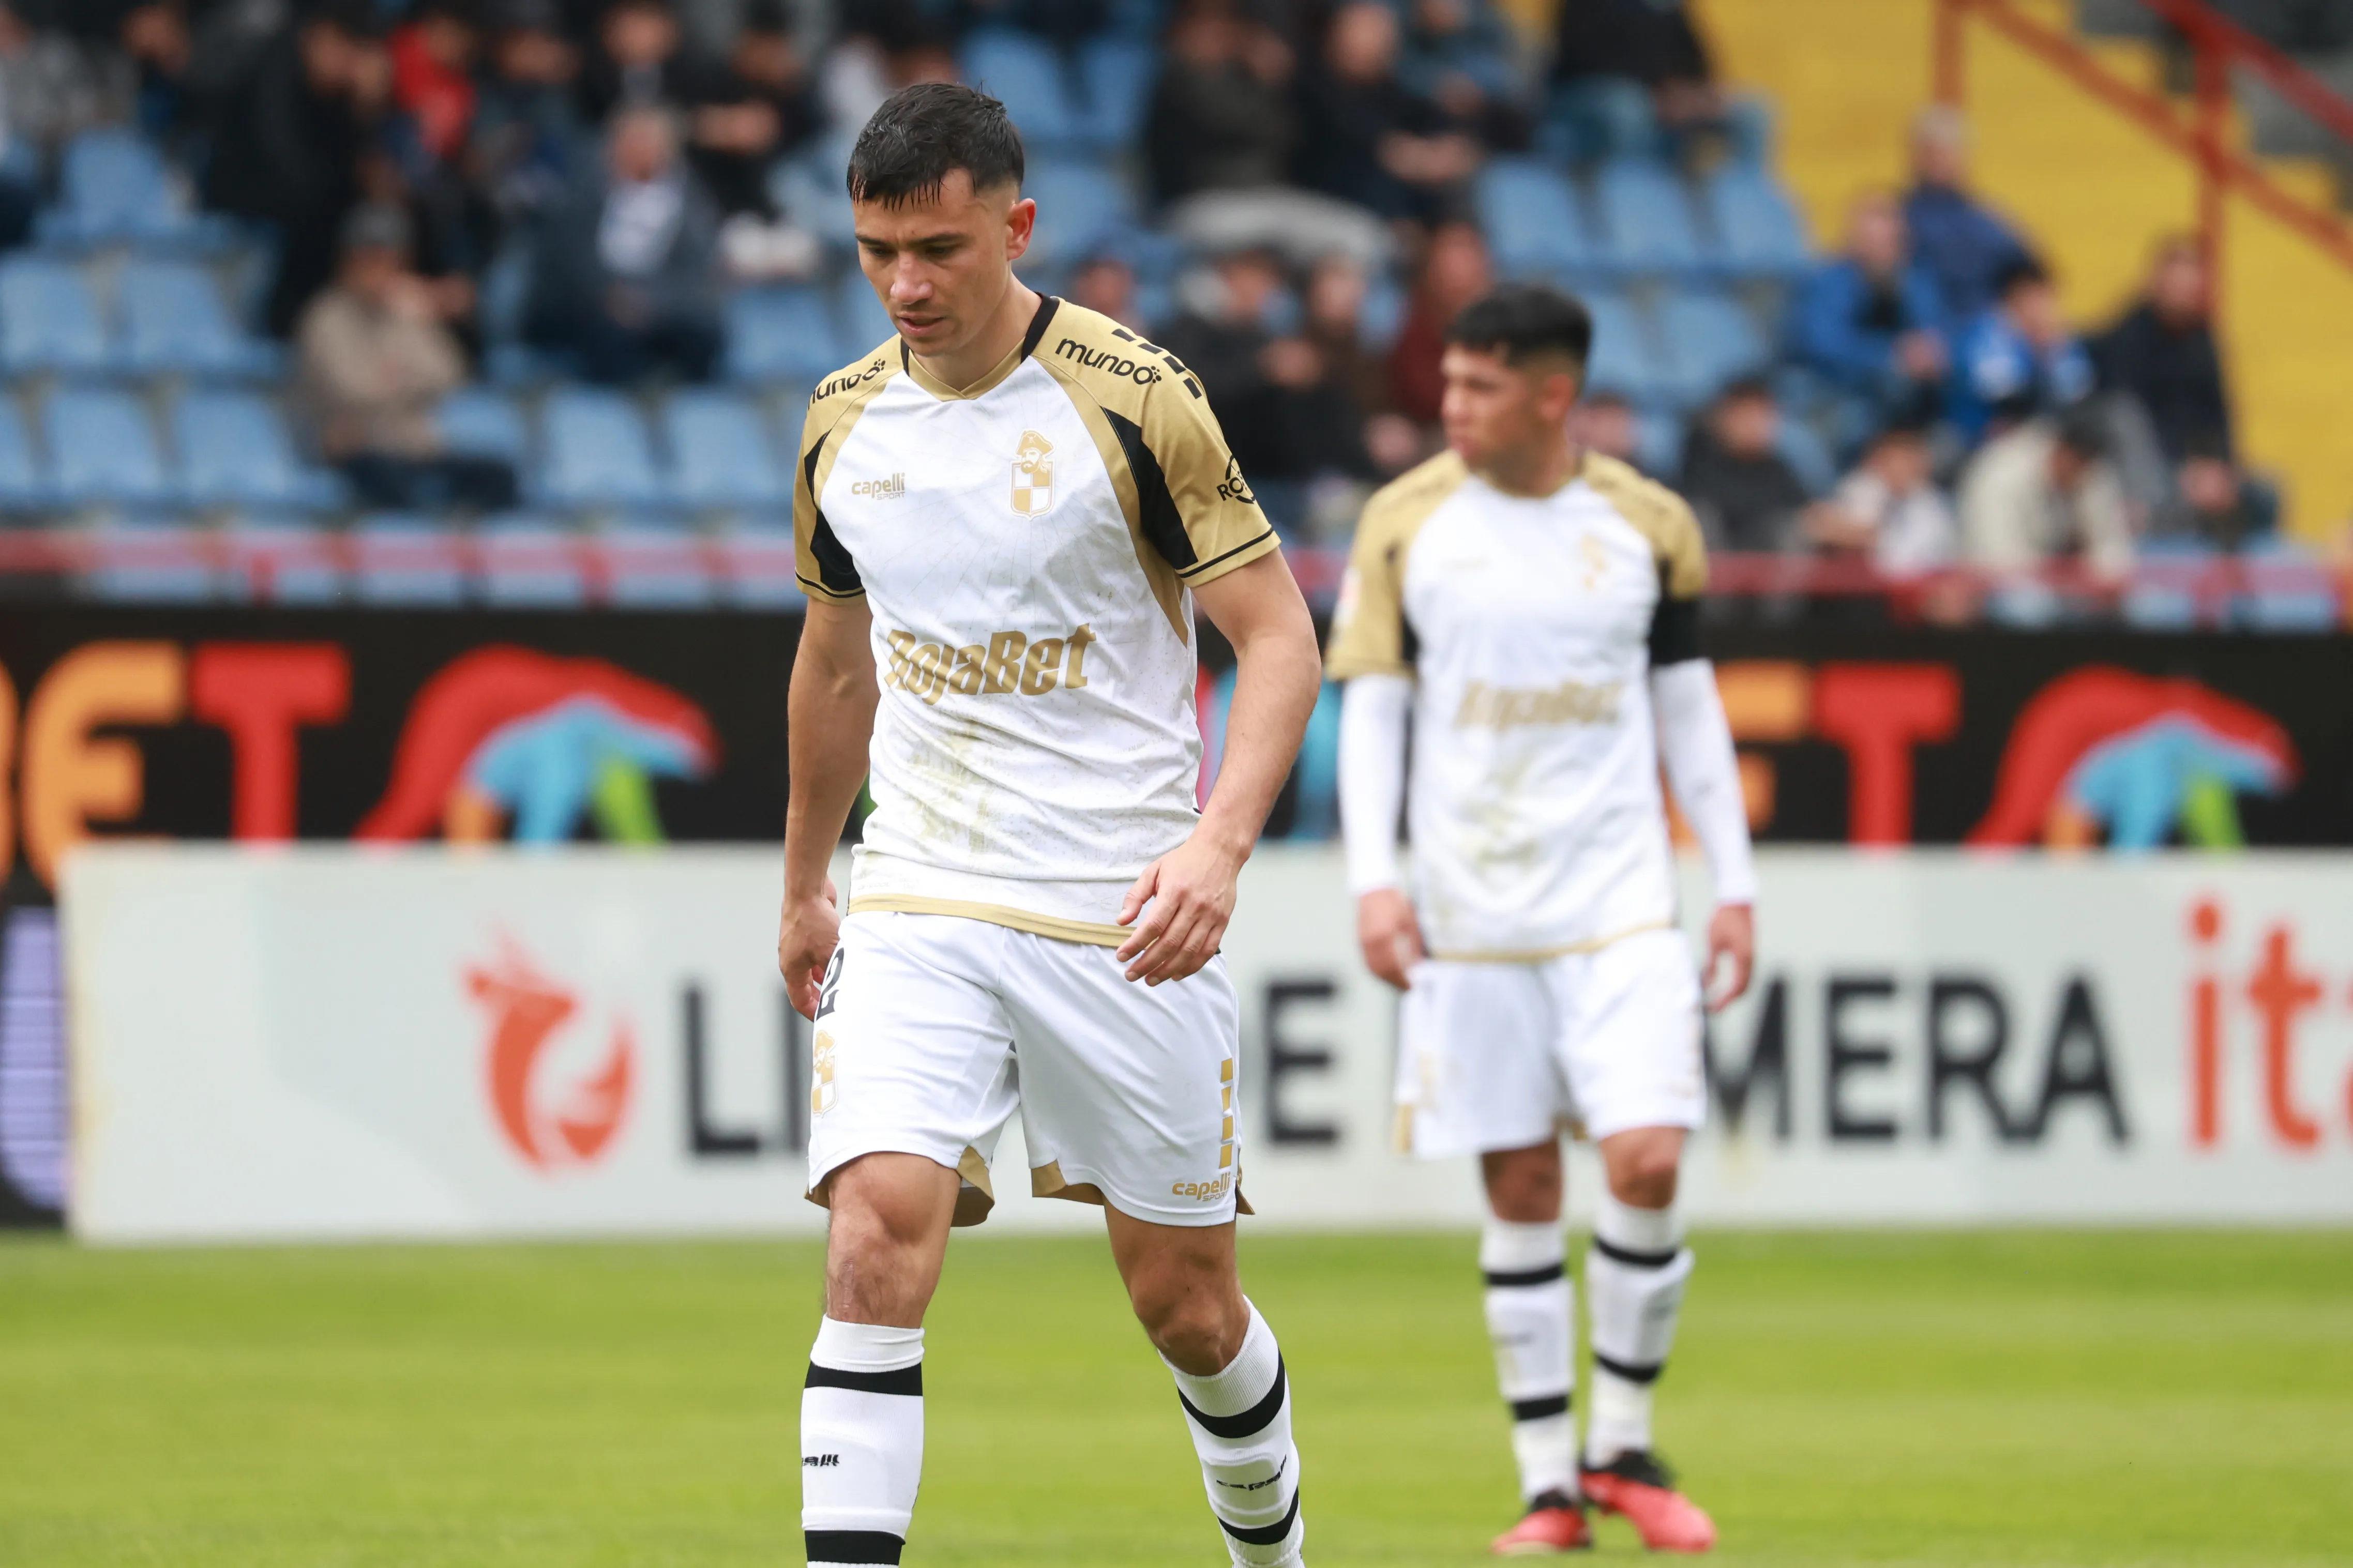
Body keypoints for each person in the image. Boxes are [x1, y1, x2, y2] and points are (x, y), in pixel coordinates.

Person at [777, 83, 1322, 1568]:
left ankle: (1269, 1555)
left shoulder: (1134, 398)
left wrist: (1213, 847)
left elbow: (1277, 641)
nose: (905, 284)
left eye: (940, 248)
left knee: (1185, 1307)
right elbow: (835, 666)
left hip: (1117, 909)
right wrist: (807, 883)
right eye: (876, 250)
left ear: (1015, 226)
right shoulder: (840, 422)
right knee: (874, 1236)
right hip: (921, 891)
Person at [1329, 283, 1752, 1556]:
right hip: (1470, 910)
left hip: (1621, 904)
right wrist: (1373, 879)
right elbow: (1377, 711)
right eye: (1447, 383)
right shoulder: (1405, 524)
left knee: (1648, 1158)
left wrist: (1734, 883)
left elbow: (1689, 713)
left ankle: (1620, 1441)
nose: (1448, 406)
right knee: (1518, 1182)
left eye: (1477, 387)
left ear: (1552, 394)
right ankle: (1548, 1484)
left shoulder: (1646, 524)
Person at [296, 203, 519, 513]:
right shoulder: (325, 317)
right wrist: (409, 382)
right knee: (396, 488)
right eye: (369, 257)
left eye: (389, 259)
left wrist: (398, 373)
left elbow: (451, 373)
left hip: (415, 448)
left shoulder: (406, 309)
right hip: (359, 450)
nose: (379, 269)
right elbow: (351, 390)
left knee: (499, 476)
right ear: (347, 260)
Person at [526, 101, 722, 383]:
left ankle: (689, 413)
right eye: (633, 140)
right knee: (609, 335)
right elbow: (566, 258)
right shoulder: (578, 192)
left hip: (658, 305)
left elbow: (696, 267)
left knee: (703, 332)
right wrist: (611, 295)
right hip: (586, 303)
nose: (640, 149)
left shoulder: (690, 200)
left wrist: (651, 301)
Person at [1293, 1, 1481, 226]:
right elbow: (1363, 141)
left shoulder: (1391, 92)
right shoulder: (1311, 83)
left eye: (1382, 32)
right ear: (1336, 33)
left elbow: (1439, 126)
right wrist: (1416, 159)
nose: (1376, 41)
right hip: (1320, 203)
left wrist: (1450, 151)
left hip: (1389, 213)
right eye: (1364, 29)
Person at [1785, 190, 1946, 423]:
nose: (1880, 252)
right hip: (1832, 392)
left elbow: (1934, 331)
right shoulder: (1827, 282)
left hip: (1898, 393)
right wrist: (1890, 356)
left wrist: (1931, 353)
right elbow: (1820, 345)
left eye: (1889, 242)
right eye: (1870, 242)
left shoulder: (1914, 281)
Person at [2091, 234, 2233, 465]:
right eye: (2177, 285)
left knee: (2264, 490)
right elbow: (2130, 421)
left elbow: (2217, 415)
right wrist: (2188, 465)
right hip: (2152, 467)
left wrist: (2219, 465)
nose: (2183, 296)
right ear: (2156, 283)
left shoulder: (2202, 340)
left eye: (2190, 288)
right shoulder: (2128, 337)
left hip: (2197, 465)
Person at [1958, 406, 2135, 583]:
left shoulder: (2093, 473)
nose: (2083, 474)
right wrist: (2061, 577)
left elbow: (2114, 550)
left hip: (2064, 585)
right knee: (2029, 606)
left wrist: (2098, 573)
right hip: (1997, 585)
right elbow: (1998, 558)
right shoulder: (2001, 473)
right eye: (2077, 463)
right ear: (2061, 450)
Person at [1902, 105, 2028, 331]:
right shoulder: (1894, 219)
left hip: (1979, 334)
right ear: (1915, 155)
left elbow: (2029, 274)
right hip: (1915, 337)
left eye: (1946, 152)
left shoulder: (1988, 222)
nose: (1938, 162)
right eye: (1930, 152)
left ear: (1964, 156)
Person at [1948, 254, 2093, 445]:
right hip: (1979, 439)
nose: (2041, 307)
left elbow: (2078, 395)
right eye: (2032, 297)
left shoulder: (2057, 338)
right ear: (2011, 298)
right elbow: (2007, 400)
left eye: (2045, 297)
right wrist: (2038, 354)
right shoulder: (1987, 333)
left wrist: (2052, 354)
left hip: (2046, 437)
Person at [1803, 416, 1956, 579]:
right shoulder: (1866, 486)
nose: (1896, 467)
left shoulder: (1932, 506)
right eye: (1890, 459)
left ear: (1920, 464)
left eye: (1904, 460)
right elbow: (1817, 525)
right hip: (1864, 589)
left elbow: (1898, 563)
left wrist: (1861, 537)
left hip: (1915, 591)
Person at [1678, 375, 1809, 552]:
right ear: (1724, 417)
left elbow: (1804, 509)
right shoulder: (1699, 462)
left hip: (1770, 568)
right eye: (1748, 414)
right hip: (1719, 565)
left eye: (1763, 415)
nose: (1756, 425)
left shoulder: (1778, 468)